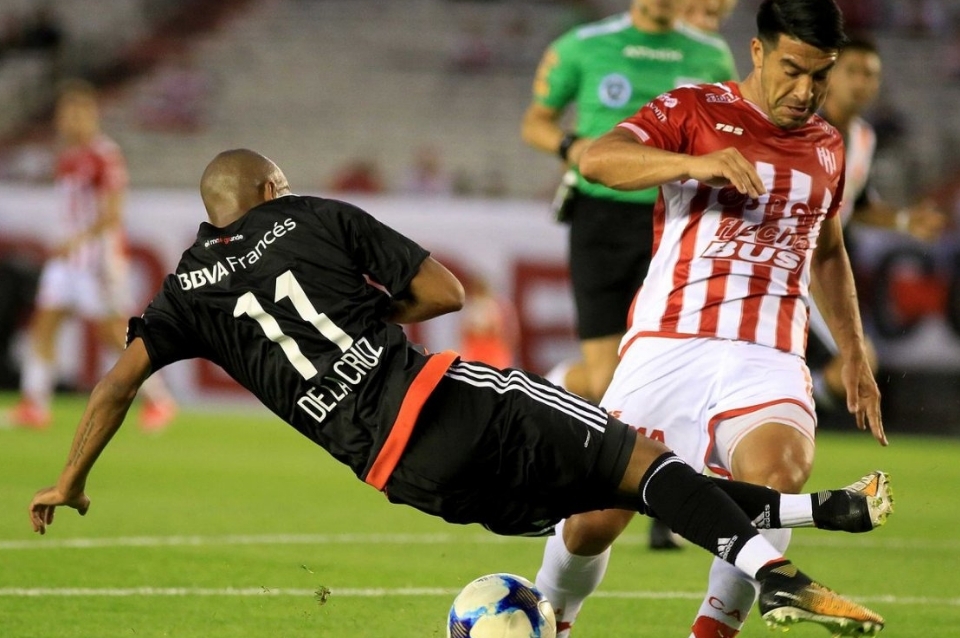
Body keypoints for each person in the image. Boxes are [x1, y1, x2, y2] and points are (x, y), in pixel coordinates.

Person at [29, 149, 891, 637]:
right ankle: (775, 575)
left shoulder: (184, 289)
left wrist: (70, 479)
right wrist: (372, 318)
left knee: (619, 490)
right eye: (278, 183)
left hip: (403, 475)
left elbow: (114, 386)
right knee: (644, 463)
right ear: (266, 192)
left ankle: (821, 512)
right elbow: (443, 294)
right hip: (450, 400)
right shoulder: (312, 215)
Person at [532, 2, 890, 637]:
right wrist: (695, 164)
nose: (805, 91)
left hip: (769, 354)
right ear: (757, 52)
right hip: (669, 342)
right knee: (593, 521)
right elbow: (597, 160)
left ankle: (714, 629)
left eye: (820, 76)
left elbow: (828, 251)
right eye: (792, 70)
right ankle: (551, 616)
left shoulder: (828, 146)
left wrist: (854, 351)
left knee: (775, 480)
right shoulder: (694, 109)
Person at [521, 0, 738, 550]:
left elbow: (732, 130)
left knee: (676, 366)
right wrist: (571, 146)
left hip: (677, 223)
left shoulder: (711, 55)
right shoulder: (583, 46)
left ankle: (669, 507)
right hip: (600, 218)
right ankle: (556, 389)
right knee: (605, 382)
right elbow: (535, 122)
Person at [9, 80, 177, 432]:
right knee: (44, 325)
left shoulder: (104, 156)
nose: (69, 121)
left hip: (96, 260)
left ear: (91, 115)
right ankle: (34, 405)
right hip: (67, 262)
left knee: (112, 334)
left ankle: (159, 399)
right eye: (65, 114)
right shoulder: (67, 157)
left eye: (76, 113)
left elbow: (113, 212)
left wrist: (78, 240)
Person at [808, 37, 946, 411]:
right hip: (792, 268)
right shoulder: (803, 131)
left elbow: (857, 202)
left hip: (825, 270)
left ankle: (790, 406)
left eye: (870, 75)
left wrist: (903, 219)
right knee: (856, 362)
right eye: (852, 71)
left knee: (853, 365)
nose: (862, 82)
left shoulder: (863, 137)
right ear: (829, 75)